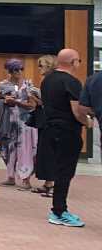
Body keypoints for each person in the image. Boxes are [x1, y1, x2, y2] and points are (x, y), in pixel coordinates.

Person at [41, 49, 91, 227]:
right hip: (67, 131)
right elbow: (77, 111)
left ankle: (59, 209)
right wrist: (87, 122)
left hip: (50, 129)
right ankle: (59, 211)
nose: (79, 64)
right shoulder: (72, 82)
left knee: (59, 170)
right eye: (79, 60)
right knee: (66, 172)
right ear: (73, 62)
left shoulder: (48, 80)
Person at [0, 59, 38, 189]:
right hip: (9, 123)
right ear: (9, 71)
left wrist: (17, 102)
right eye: (15, 70)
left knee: (25, 150)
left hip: (25, 124)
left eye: (20, 69)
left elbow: (32, 105)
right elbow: (0, 99)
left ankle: (26, 179)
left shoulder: (27, 85)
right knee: (7, 149)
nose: (19, 72)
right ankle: (10, 177)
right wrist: (5, 100)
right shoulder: (3, 85)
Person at [32, 54, 56, 196]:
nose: (39, 68)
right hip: (46, 120)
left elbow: (45, 103)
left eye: (41, 65)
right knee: (44, 151)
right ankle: (48, 183)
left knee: (48, 151)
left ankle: (51, 184)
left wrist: (32, 96)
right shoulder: (47, 80)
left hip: (48, 121)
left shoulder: (49, 81)